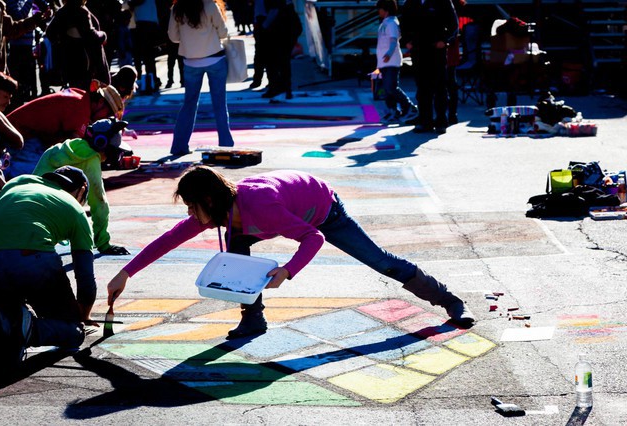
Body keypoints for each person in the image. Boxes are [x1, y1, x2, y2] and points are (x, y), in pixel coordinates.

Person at [107, 166, 475, 340]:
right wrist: (126, 273)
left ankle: (449, 300)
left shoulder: (259, 204)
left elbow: (312, 237)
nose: (189, 213)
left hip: (322, 209)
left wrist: (288, 269)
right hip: (274, 212)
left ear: (207, 199)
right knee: (238, 253)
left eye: (190, 205)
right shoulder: (217, 212)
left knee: (380, 261)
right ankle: (254, 319)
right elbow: (169, 239)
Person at [0, 166, 95, 370]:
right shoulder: (75, 208)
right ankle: (30, 329)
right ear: (81, 191)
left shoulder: (16, 183)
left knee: (12, 308)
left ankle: (11, 323)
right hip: (31, 260)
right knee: (73, 333)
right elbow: (85, 279)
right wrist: (82, 316)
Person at [33, 118, 132, 255]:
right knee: (81, 207)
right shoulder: (91, 159)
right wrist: (103, 244)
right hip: (52, 219)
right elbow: (99, 202)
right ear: (101, 143)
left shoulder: (57, 149)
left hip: (33, 216)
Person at [5, 84, 125, 178]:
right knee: (41, 176)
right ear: (100, 102)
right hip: (16, 138)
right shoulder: (80, 109)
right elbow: (73, 150)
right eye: (108, 114)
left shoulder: (82, 98)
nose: (105, 118)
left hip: (21, 134)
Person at [167, 0, 235, 154]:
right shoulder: (210, 5)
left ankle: (179, 146)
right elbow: (223, 32)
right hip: (215, 59)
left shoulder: (177, 8)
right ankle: (225, 145)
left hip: (190, 62)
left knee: (189, 104)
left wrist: (188, 38)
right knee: (219, 104)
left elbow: (173, 37)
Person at [401, 0, 458, 134]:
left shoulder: (442, 2)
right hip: (418, 49)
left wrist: (445, 40)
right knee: (422, 87)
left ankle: (440, 121)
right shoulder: (411, 3)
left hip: (436, 49)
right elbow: (403, 23)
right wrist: (406, 41)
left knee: (439, 87)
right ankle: (424, 121)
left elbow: (454, 24)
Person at [44, 0, 111, 90]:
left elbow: (50, 33)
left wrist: (65, 42)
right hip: (87, 66)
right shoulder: (80, 11)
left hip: (71, 65)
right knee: (88, 98)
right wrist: (103, 35)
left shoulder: (63, 11)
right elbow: (91, 37)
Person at [375, 0, 417, 125]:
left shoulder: (392, 23)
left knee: (391, 87)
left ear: (386, 9)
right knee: (388, 89)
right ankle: (393, 111)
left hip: (391, 61)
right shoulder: (384, 23)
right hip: (384, 62)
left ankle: (409, 107)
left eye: (380, 9)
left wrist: (388, 53)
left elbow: (393, 41)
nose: (378, 11)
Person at [0, 72, 24, 212]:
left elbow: (19, 142)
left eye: (10, 97)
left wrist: (0, 125)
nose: (8, 102)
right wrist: (6, 187)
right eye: (5, 97)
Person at [0, 0, 52, 74]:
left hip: (29, 45)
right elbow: (16, 23)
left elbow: (13, 27)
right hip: (16, 48)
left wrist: (39, 17)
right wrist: (30, 3)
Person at [260, 0, 302, 99]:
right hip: (287, 28)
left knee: (273, 61)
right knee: (283, 61)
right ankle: (284, 88)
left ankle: (277, 87)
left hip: (281, 29)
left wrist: (263, 27)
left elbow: (275, 9)